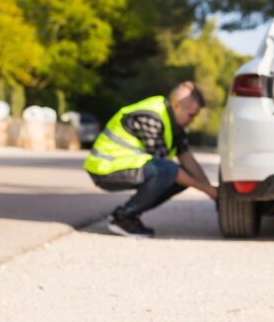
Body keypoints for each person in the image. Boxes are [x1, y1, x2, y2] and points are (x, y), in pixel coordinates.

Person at [85, 81, 218, 238]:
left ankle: (130, 216)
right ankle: (122, 218)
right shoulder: (151, 116)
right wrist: (209, 191)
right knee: (169, 172)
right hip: (105, 167)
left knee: (181, 177)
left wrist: (211, 191)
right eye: (191, 115)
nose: (192, 121)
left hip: (123, 166)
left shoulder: (175, 125)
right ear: (177, 106)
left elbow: (188, 160)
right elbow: (168, 169)